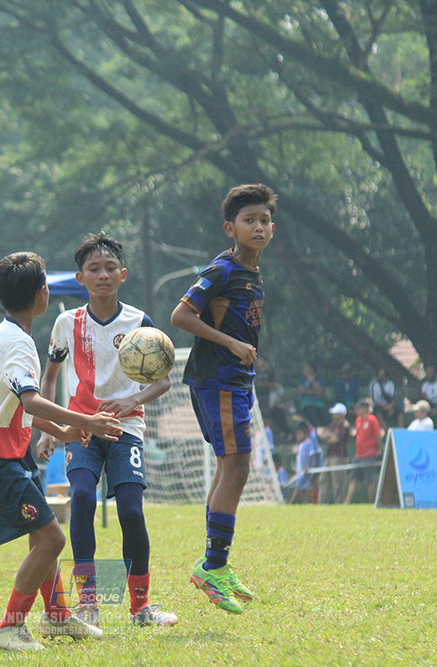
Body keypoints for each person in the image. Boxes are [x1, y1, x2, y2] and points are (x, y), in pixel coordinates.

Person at [0, 251, 122, 651]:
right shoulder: (18, 343)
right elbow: (31, 400)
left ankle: (57, 617)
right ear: (41, 295)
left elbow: (18, 406)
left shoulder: (7, 333)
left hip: (6, 451)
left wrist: (63, 432)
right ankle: (9, 625)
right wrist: (85, 422)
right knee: (52, 540)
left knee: (44, 537)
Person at [37, 233, 176, 628]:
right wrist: (50, 429)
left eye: (110, 268)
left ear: (123, 274)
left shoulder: (139, 323)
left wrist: (132, 401)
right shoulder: (67, 323)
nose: (103, 275)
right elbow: (50, 379)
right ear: (80, 278)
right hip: (80, 427)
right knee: (81, 497)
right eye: (94, 269)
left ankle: (141, 608)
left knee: (131, 513)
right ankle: (90, 602)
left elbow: (163, 381)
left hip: (125, 428)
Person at [170, 183, 277, 615]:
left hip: (233, 380)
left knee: (229, 466)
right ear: (230, 228)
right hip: (218, 380)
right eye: (249, 220)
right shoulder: (223, 270)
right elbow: (181, 315)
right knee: (238, 466)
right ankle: (213, 565)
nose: (259, 227)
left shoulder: (251, 272)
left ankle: (214, 562)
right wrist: (231, 344)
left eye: (265, 220)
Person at [346, 399, 383, 504]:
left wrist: (376, 447)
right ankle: (347, 501)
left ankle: (371, 502)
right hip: (358, 454)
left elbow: (378, 435)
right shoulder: (358, 420)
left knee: (369, 480)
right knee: (353, 478)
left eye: (359, 408)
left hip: (369, 454)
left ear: (365, 409)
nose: (357, 411)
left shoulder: (372, 420)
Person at [319, 403, 352, 504]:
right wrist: (329, 435)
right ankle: (322, 502)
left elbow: (335, 439)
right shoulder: (331, 425)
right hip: (329, 455)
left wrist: (328, 435)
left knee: (338, 481)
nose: (333, 415)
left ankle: (338, 502)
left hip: (339, 456)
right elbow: (322, 436)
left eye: (335, 413)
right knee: (323, 479)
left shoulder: (345, 426)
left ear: (341, 414)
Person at [288, 419, 323, 505]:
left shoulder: (310, 440)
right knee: (304, 486)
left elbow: (314, 453)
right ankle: (306, 502)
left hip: (309, 467)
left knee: (300, 485)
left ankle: (291, 503)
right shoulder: (301, 444)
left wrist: (314, 466)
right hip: (301, 469)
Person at [297, 361, 329, 427]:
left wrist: (313, 382)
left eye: (306, 369)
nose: (304, 370)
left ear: (311, 370)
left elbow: (321, 392)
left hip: (319, 403)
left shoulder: (320, 379)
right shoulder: (302, 379)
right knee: (311, 415)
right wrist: (315, 392)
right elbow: (302, 390)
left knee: (327, 416)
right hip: (307, 403)